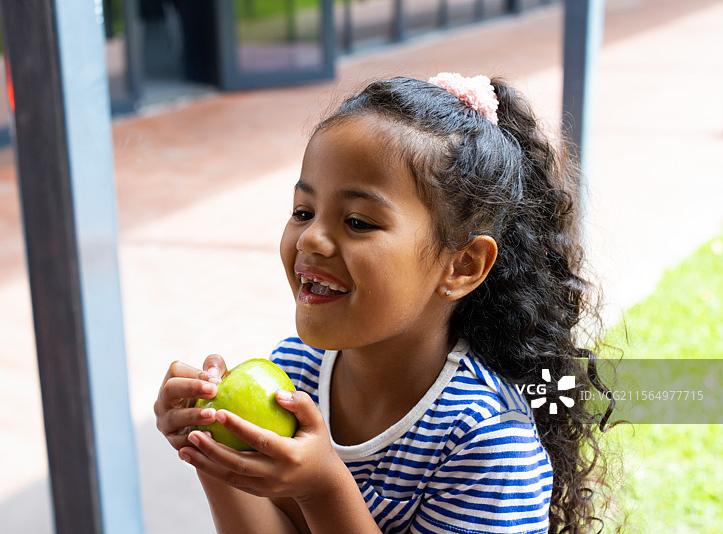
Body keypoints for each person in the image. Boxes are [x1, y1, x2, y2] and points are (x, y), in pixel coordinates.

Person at [154, 73, 614, 534]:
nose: (311, 237)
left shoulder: (484, 439)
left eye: (357, 221)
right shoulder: (295, 373)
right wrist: (212, 449)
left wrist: (324, 488)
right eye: (303, 212)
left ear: (463, 265)